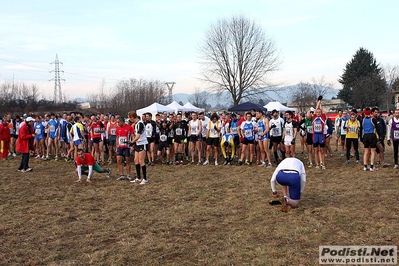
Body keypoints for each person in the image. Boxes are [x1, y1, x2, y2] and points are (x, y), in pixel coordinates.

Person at [129, 112, 149, 185]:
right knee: (136, 160)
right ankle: (138, 177)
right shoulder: (135, 124)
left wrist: (131, 142)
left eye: (130, 117)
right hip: (137, 144)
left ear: (132, 117)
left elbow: (138, 136)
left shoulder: (140, 124)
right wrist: (133, 143)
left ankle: (145, 179)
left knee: (141, 161)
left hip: (142, 143)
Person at [361, 107, 380, 171]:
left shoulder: (363, 120)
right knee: (373, 151)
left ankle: (365, 166)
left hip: (365, 135)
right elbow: (377, 129)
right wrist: (380, 136)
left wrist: (361, 137)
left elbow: (361, 129)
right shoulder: (373, 119)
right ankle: (372, 166)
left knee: (366, 151)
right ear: (370, 112)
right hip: (372, 135)